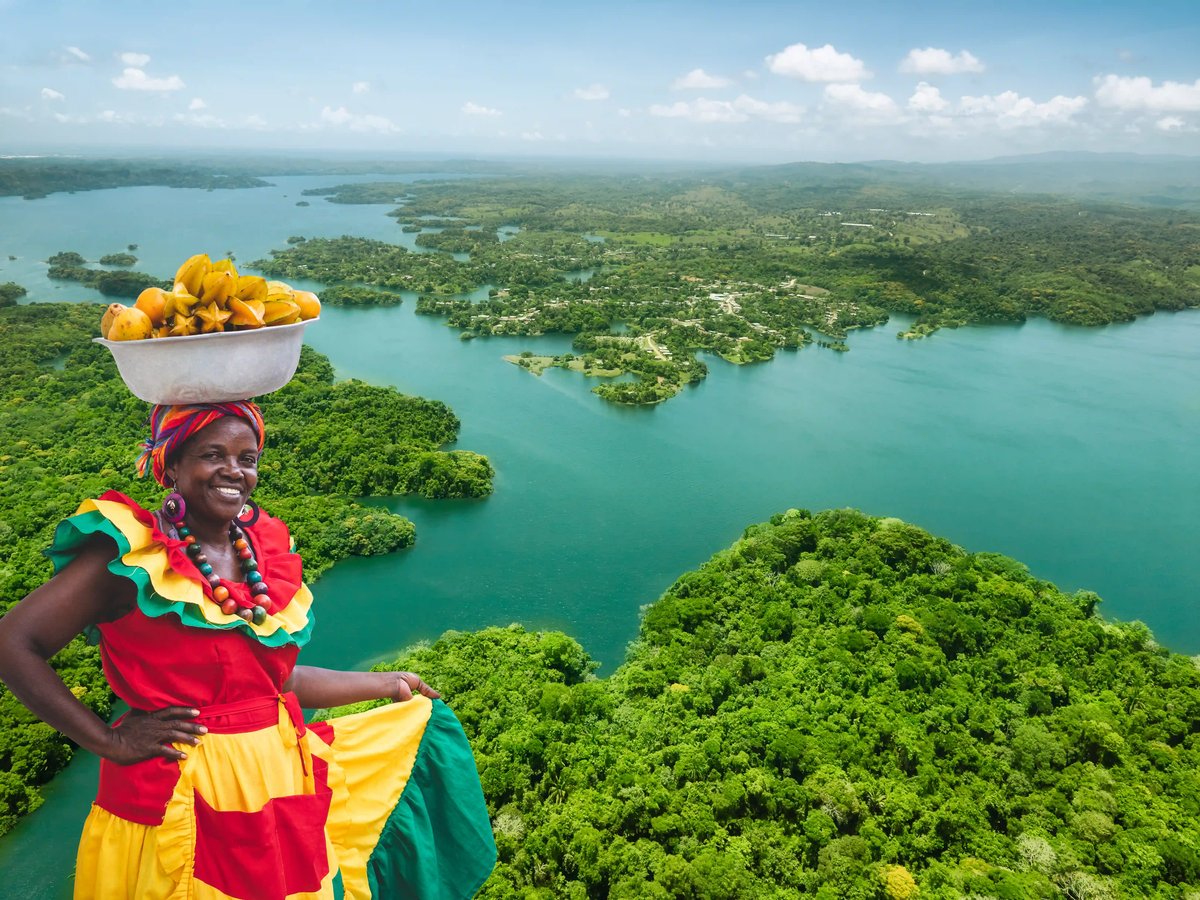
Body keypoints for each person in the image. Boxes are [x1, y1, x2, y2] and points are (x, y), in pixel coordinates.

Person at [0, 401, 496, 899]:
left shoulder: (260, 553)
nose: (233, 471)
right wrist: (107, 741)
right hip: (178, 792)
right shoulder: (131, 556)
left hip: (276, 787)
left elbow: (275, 685)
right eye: (212, 455)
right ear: (171, 465)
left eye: (248, 457)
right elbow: (12, 642)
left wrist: (388, 683)